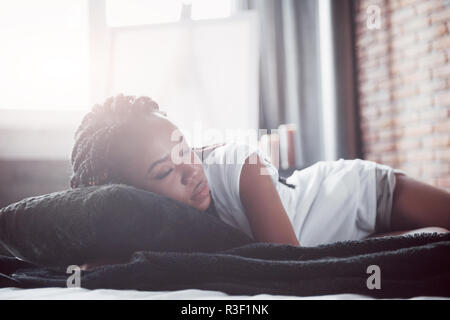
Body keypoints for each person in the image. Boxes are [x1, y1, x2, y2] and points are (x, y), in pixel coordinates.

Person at [70, 94, 449, 251]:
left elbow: (288, 269)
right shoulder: (148, 224)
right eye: (164, 171)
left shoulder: (240, 167)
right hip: (344, 239)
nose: (190, 170)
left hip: (362, 195)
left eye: (183, 148)